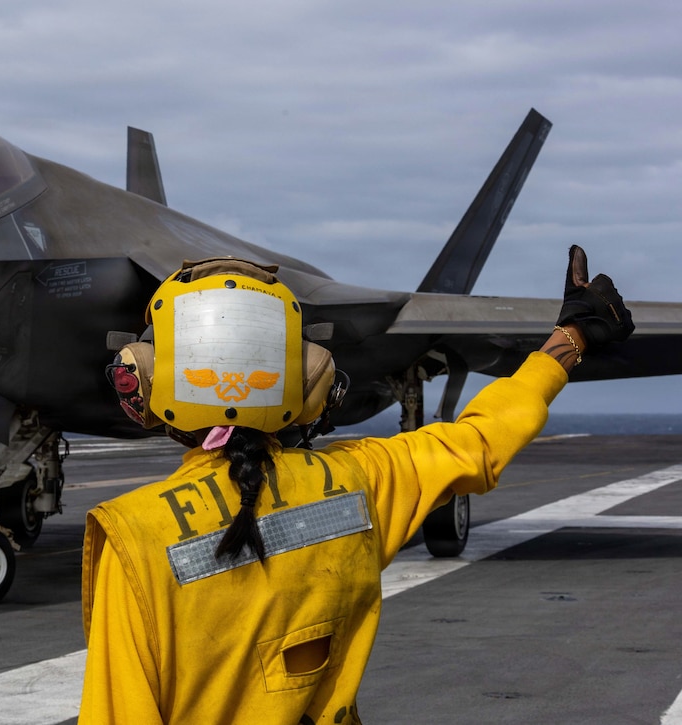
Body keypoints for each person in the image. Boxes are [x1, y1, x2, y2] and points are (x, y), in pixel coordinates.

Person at [80, 248, 633, 724]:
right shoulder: (359, 480)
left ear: (144, 381)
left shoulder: (137, 534)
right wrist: (571, 338)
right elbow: (482, 441)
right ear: (310, 381)